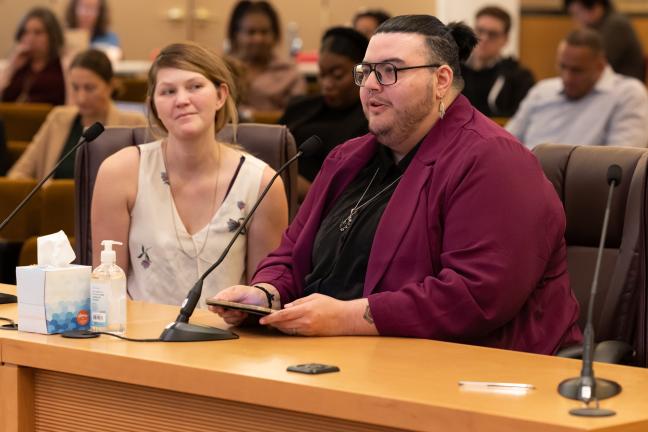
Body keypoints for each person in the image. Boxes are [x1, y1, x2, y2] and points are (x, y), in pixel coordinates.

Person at [210, 15, 582, 355]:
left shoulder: (494, 161)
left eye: (389, 71)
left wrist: (346, 317)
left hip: (468, 373)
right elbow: (292, 254)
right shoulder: (347, 159)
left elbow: (475, 296)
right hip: (336, 355)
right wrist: (265, 293)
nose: (370, 85)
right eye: (367, 71)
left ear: (441, 80)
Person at [91, 42, 288, 307]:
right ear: (153, 107)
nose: (182, 100)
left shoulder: (263, 183)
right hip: (137, 341)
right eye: (168, 91)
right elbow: (107, 287)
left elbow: (265, 295)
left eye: (195, 87)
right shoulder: (119, 173)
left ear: (220, 95)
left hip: (228, 342)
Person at [7, 49, 146, 181]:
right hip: (56, 204)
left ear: (110, 86)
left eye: (89, 88)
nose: (81, 98)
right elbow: (19, 172)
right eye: (75, 87)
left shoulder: (134, 124)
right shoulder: (58, 118)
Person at [506, 29, 648, 149]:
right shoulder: (542, 91)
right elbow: (506, 142)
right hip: (523, 177)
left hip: (583, 181)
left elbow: (622, 165)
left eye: (577, 70)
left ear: (600, 66)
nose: (567, 78)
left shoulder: (627, 95)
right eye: (562, 67)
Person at [279, 27, 369, 200]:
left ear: (361, 72)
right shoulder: (299, 107)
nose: (327, 84)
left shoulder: (369, 121)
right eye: (322, 74)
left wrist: (307, 190)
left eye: (337, 75)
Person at [226, 0, 306, 112]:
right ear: (236, 35)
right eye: (251, 32)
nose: (258, 39)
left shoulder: (289, 73)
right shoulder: (223, 70)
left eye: (264, 32)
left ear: (275, 35)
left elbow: (298, 114)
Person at [461, 6, 534, 117]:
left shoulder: (519, 77)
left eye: (493, 34)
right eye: (479, 31)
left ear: (505, 39)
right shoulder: (454, 72)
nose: (484, 38)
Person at [0, 7, 66, 105]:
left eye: (38, 32)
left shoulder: (62, 65)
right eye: (26, 32)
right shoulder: (17, 65)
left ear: (52, 36)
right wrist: (11, 67)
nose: (30, 38)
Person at [565, 0, 644, 81]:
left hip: (623, 86)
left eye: (577, 14)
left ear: (595, 7)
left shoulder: (616, 25)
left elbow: (597, 63)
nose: (576, 20)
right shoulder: (601, 25)